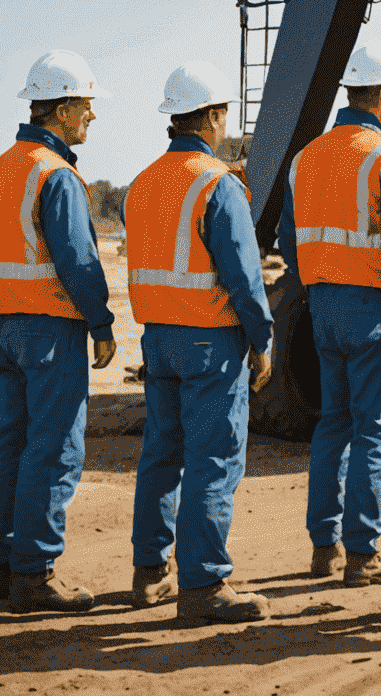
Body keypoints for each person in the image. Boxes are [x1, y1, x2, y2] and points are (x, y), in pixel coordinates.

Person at [125, 62, 274, 625]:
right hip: (211, 342)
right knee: (213, 460)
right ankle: (205, 587)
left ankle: (150, 573)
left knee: (161, 455)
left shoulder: (142, 183)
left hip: (158, 340)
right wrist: (262, 337)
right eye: (223, 117)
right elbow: (243, 274)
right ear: (212, 117)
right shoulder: (218, 185)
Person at [0, 50, 116, 614]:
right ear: (59, 108)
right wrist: (101, 322)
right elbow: (78, 261)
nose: (91, 116)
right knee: (54, 449)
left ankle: (1, 568)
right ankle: (35, 573)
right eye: (85, 104)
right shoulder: (55, 175)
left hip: (6, 327)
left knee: (10, 443)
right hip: (51, 328)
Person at [278, 42, 381, 587]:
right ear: (380, 93)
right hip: (373, 304)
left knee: (332, 424)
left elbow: (289, 243)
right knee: (375, 426)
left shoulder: (305, 158)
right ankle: (363, 554)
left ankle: (324, 548)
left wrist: (321, 273)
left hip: (322, 304)